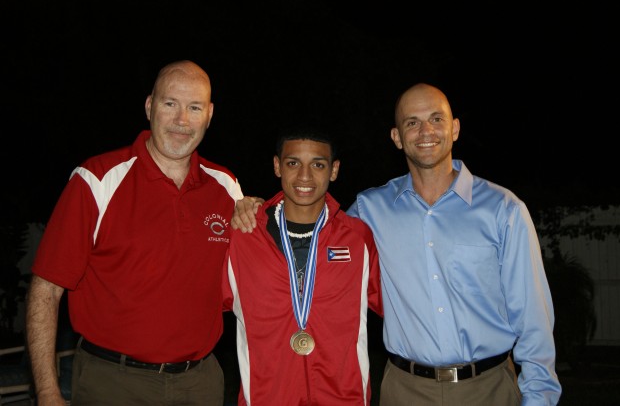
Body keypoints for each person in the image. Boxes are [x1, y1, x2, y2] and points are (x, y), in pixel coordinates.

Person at [231, 84, 562, 405]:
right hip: (405, 390)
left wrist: (539, 397)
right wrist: (255, 209)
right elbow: (313, 228)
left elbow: (534, 319)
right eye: (412, 123)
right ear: (397, 137)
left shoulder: (503, 210)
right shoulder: (370, 211)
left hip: (487, 388)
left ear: (455, 128)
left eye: (436, 119)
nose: (425, 131)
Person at [26, 60, 243, 406]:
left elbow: (253, 280)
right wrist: (48, 393)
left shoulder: (227, 188)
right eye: (170, 104)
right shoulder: (96, 179)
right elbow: (46, 289)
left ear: (209, 114)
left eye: (194, 107)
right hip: (113, 383)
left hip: (200, 384)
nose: (181, 120)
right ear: (149, 107)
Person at [223, 125, 382, 405]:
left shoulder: (359, 239)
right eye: (293, 163)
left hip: (344, 398)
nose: (305, 176)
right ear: (277, 166)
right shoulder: (243, 236)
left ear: (334, 170)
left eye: (318, 165)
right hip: (266, 398)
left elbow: (392, 306)